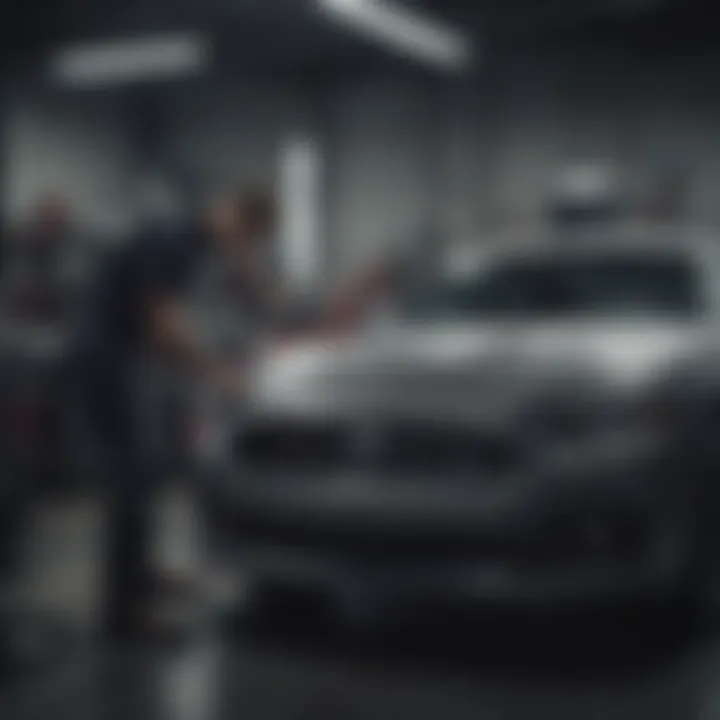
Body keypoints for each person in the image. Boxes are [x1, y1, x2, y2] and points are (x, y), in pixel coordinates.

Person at [73, 187, 276, 642]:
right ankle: (124, 615)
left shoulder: (183, 237)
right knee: (133, 482)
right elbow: (162, 321)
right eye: (243, 238)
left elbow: (167, 322)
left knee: (143, 476)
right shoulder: (178, 239)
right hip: (109, 359)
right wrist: (214, 372)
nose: (237, 250)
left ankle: (139, 583)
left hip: (118, 357)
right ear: (232, 214)